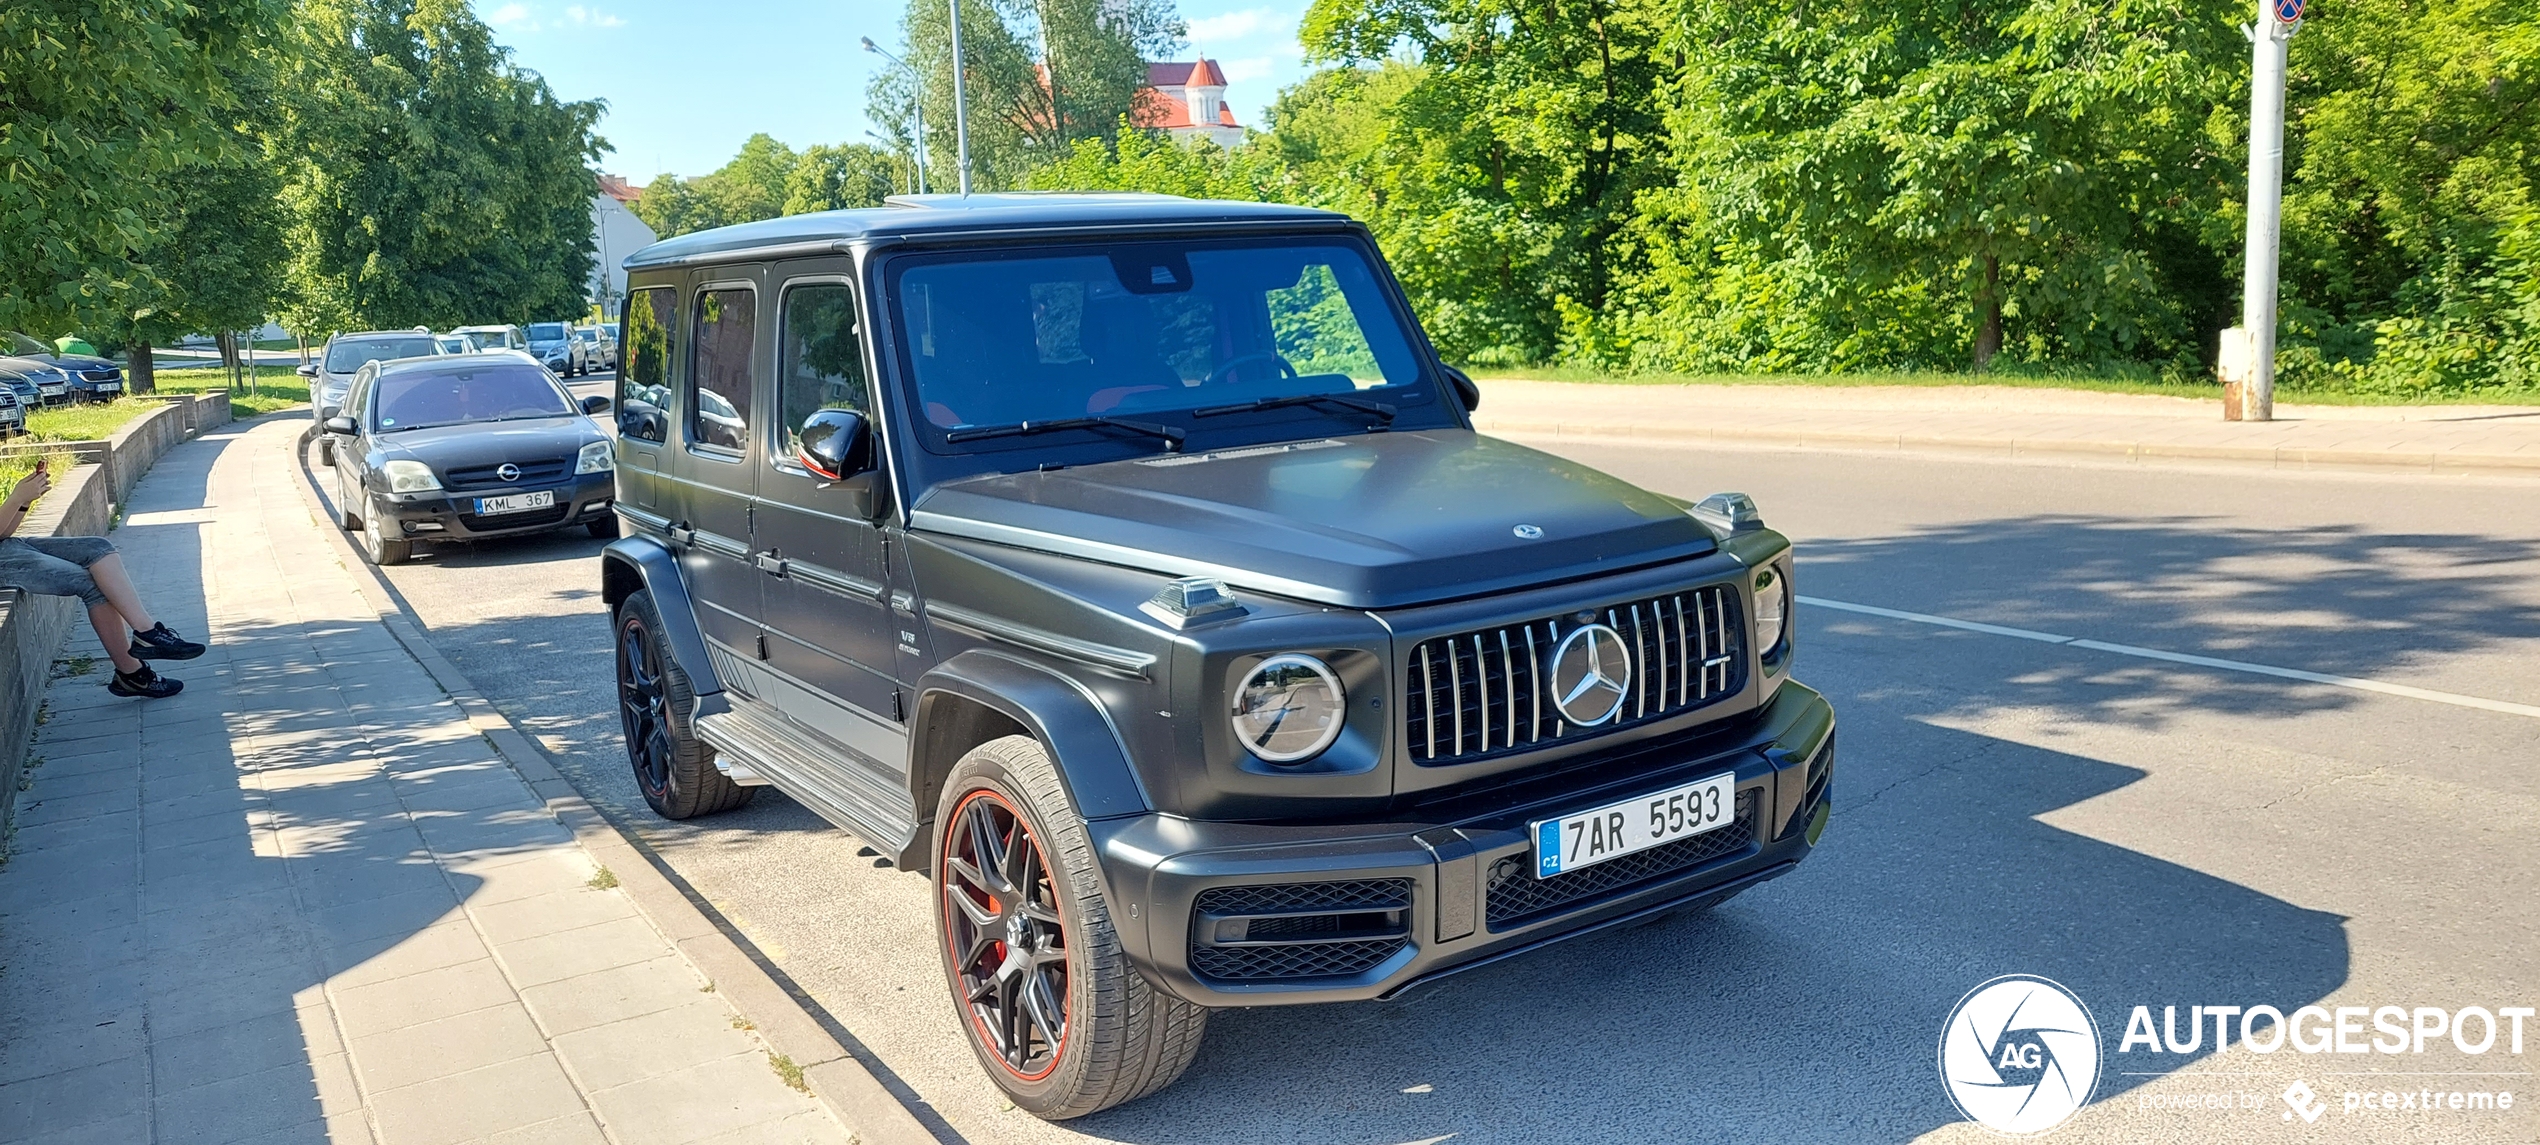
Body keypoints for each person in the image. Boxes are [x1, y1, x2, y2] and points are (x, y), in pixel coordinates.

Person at [0, 461, 202, 698]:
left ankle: (147, 632)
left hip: (8, 548)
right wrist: (15, 498)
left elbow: (4, 534)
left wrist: (24, 501)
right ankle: (132, 675)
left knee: (98, 548)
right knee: (93, 584)